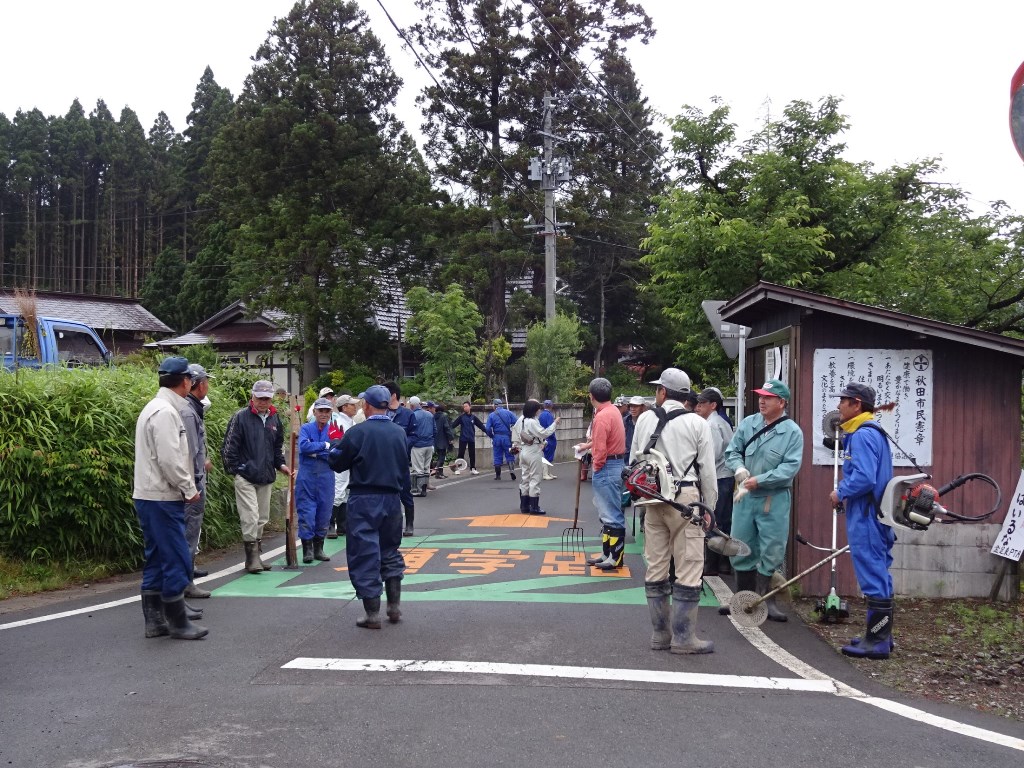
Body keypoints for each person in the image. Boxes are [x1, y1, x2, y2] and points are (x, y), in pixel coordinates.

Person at [630, 368, 718, 653]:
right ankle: (684, 638)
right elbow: (708, 473)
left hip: (652, 499)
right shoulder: (697, 423)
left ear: (663, 392)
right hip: (687, 500)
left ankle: (660, 635)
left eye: (657, 389)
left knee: (655, 565)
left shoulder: (644, 418)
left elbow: (634, 462)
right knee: (689, 567)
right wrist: (710, 509)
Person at [133, 356, 206, 640]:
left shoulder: (156, 407)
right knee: (176, 556)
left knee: (156, 556)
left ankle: (155, 620)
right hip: (162, 496)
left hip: (149, 494)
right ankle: (178, 622)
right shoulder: (166, 412)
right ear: (186, 381)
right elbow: (171, 459)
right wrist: (189, 488)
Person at [327, 385, 408, 629]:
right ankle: (393, 607)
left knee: (365, 553)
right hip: (392, 500)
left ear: (367, 405)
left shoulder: (357, 433)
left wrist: (333, 446)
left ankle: (372, 614)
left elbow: (338, 463)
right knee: (390, 550)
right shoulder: (399, 432)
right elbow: (404, 469)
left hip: (364, 499)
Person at [724, 378, 804, 621]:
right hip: (745, 498)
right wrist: (738, 468)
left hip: (773, 497)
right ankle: (741, 600)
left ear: (782, 402)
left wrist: (760, 480)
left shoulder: (792, 432)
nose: (761, 400)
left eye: (767, 397)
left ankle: (764, 602)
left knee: (772, 549)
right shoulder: (749, 423)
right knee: (740, 544)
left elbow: (790, 467)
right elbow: (732, 451)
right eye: (760, 396)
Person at [828, 382, 895, 659]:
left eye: (843, 401)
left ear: (856, 404)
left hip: (867, 513)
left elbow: (865, 477)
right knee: (880, 572)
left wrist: (839, 491)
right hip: (878, 513)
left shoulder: (862, 435)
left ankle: (877, 641)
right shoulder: (872, 431)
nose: (839, 406)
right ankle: (880, 635)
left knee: (872, 574)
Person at [222, 379, 294, 574]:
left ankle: (256, 555)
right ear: (252, 397)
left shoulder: (274, 418)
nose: (263, 402)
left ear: (271, 399)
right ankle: (251, 557)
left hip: (266, 475)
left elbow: (277, 447)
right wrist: (237, 469)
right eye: (259, 398)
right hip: (245, 476)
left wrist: (280, 465)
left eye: (266, 398)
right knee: (250, 516)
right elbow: (229, 447)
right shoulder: (240, 417)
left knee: (262, 518)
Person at [578, 378, 627, 571]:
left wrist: (596, 468)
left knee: (610, 513)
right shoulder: (612, 410)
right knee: (608, 513)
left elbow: (600, 448)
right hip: (616, 463)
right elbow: (604, 439)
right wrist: (588, 445)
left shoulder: (601, 416)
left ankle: (614, 557)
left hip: (607, 466)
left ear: (591, 396)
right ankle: (608, 554)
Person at [178, 363, 214, 600]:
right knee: (189, 531)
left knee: (190, 531)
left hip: (192, 479)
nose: (207, 386)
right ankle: (185, 581)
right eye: (206, 382)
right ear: (199, 384)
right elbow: (189, 451)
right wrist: (194, 484)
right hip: (191, 483)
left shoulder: (188, 407)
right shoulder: (188, 411)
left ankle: (187, 572)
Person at [694, 387, 735, 576]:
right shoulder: (720, 422)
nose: (698, 407)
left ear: (713, 405)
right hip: (725, 475)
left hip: (718, 476)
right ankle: (723, 563)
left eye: (702, 403)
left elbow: (713, 454)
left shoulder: (712, 424)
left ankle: (712, 565)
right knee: (723, 519)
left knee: (713, 518)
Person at [296, 398, 337, 564]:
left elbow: (337, 451)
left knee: (324, 512)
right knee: (306, 512)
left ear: (331, 413)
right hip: (307, 477)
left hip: (326, 477)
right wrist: (325, 446)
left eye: (327, 411)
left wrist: (318, 448)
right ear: (314, 412)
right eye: (321, 411)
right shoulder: (306, 428)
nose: (324, 414)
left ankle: (319, 548)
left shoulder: (334, 430)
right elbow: (304, 447)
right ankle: (307, 549)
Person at [515, 399, 560, 514]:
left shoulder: (522, 420)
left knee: (525, 477)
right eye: (538, 408)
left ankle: (524, 506)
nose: (539, 410)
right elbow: (544, 433)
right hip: (533, 451)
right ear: (534, 410)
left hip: (524, 450)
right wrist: (555, 424)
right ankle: (534, 507)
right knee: (535, 478)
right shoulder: (532, 422)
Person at [383, 381, 416, 536]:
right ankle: (388, 526)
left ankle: (409, 525)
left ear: (393, 395)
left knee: (405, 493)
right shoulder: (381, 413)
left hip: (400, 461)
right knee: (385, 494)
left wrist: (401, 445)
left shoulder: (408, 414)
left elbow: (414, 436)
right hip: (382, 462)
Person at [328, 394, 360, 538]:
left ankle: (342, 525)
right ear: (344, 407)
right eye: (352, 404)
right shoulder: (337, 421)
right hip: (341, 461)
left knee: (346, 492)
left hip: (350, 461)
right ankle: (329, 525)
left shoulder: (351, 422)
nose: (355, 407)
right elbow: (337, 444)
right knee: (338, 491)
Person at [407, 396, 435, 496]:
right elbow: (434, 430)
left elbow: (409, 431)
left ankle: (419, 490)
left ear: (411, 405)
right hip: (429, 444)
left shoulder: (413, 415)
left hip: (418, 445)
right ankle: (425, 487)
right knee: (426, 468)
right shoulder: (429, 415)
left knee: (418, 469)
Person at [485, 398, 517, 481]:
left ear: (495, 405)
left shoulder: (491, 415)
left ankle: (498, 475)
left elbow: (488, 428)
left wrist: (491, 436)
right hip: (507, 437)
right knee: (510, 454)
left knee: (497, 456)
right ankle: (512, 471)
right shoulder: (509, 413)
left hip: (497, 437)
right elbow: (517, 422)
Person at [453, 402, 487, 474]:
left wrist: (488, 432)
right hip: (463, 438)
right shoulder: (461, 417)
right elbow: (453, 425)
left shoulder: (473, 418)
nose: (465, 408)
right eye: (464, 407)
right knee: (461, 453)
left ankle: (473, 468)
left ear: (470, 407)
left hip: (471, 438)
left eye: (466, 406)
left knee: (472, 454)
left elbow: (481, 426)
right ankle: (458, 468)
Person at [431, 402, 455, 479]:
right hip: (443, 439)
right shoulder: (443, 417)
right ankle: (437, 472)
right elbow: (447, 428)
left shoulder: (433, 417)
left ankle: (440, 473)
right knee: (442, 457)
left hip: (435, 439)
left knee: (439, 456)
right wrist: (451, 438)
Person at [539, 400, 558, 480]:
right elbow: (550, 428)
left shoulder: (541, 415)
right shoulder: (549, 415)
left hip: (542, 437)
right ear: (551, 406)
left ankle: (547, 472)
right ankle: (545, 473)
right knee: (548, 456)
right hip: (549, 438)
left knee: (545, 455)